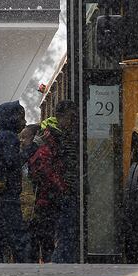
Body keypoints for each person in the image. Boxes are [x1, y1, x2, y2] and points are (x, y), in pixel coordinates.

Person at [0, 101, 32, 263]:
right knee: (18, 235)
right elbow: (12, 162)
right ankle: (26, 265)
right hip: (8, 195)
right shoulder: (9, 137)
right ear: (12, 118)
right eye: (21, 118)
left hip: (1, 195)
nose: (25, 123)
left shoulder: (1, 135)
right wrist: (29, 150)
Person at [26, 120, 66, 263]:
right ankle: (45, 262)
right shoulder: (46, 152)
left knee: (40, 237)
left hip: (43, 201)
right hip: (45, 201)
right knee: (45, 237)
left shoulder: (42, 151)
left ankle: (38, 262)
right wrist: (62, 187)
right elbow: (48, 175)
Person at [50, 100, 80, 263]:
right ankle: (60, 263)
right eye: (70, 117)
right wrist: (65, 186)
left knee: (68, 232)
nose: (73, 121)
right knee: (67, 233)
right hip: (66, 191)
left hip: (67, 190)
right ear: (59, 117)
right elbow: (67, 164)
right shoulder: (59, 137)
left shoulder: (64, 135)